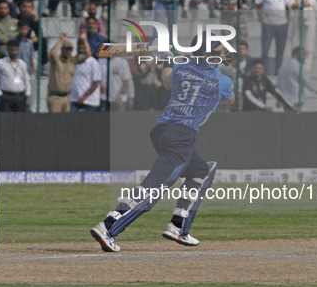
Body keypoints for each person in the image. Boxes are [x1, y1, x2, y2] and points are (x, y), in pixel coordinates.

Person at [90, 30, 234, 252]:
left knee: (202, 170)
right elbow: (230, 99)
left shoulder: (182, 68)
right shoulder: (221, 81)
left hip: (162, 132)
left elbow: (167, 82)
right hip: (181, 138)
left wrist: (166, 56)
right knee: (153, 189)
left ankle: (178, 225)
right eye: (220, 48)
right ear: (209, 52)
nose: (224, 51)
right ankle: (108, 226)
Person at [256, 0, 292, 74]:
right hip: (268, 23)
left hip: (282, 23)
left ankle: (278, 70)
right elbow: (258, 5)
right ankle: (265, 70)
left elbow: (287, 6)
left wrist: (287, 20)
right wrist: (261, 20)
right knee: (265, 49)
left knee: (280, 50)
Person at [0, 39, 31, 112]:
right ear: (8, 50)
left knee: (20, 120)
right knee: (6, 120)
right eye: (12, 50)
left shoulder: (22, 64)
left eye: (16, 50)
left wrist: (27, 93)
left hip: (20, 96)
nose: (14, 52)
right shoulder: (1, 63)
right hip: (6, 96)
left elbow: (26, 79)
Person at [70, 36, 101, 111]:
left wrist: (84, 97)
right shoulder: (74, 61)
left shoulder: (93, 62)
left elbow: (96, 83)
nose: (81, 50)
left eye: (83, 48)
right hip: (74, 99)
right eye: (79, 48)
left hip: (90, 101)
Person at [48, 32, 75, 112]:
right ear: (62, 49)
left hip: (67, 97)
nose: (68, 51)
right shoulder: (56, 60)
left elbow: (88, 54)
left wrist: (84, 39)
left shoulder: (72, 62)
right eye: (66, 49)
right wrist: (61, 41)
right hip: (55, 97)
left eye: (70, 49)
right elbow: (52, 53)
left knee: (66, 122)